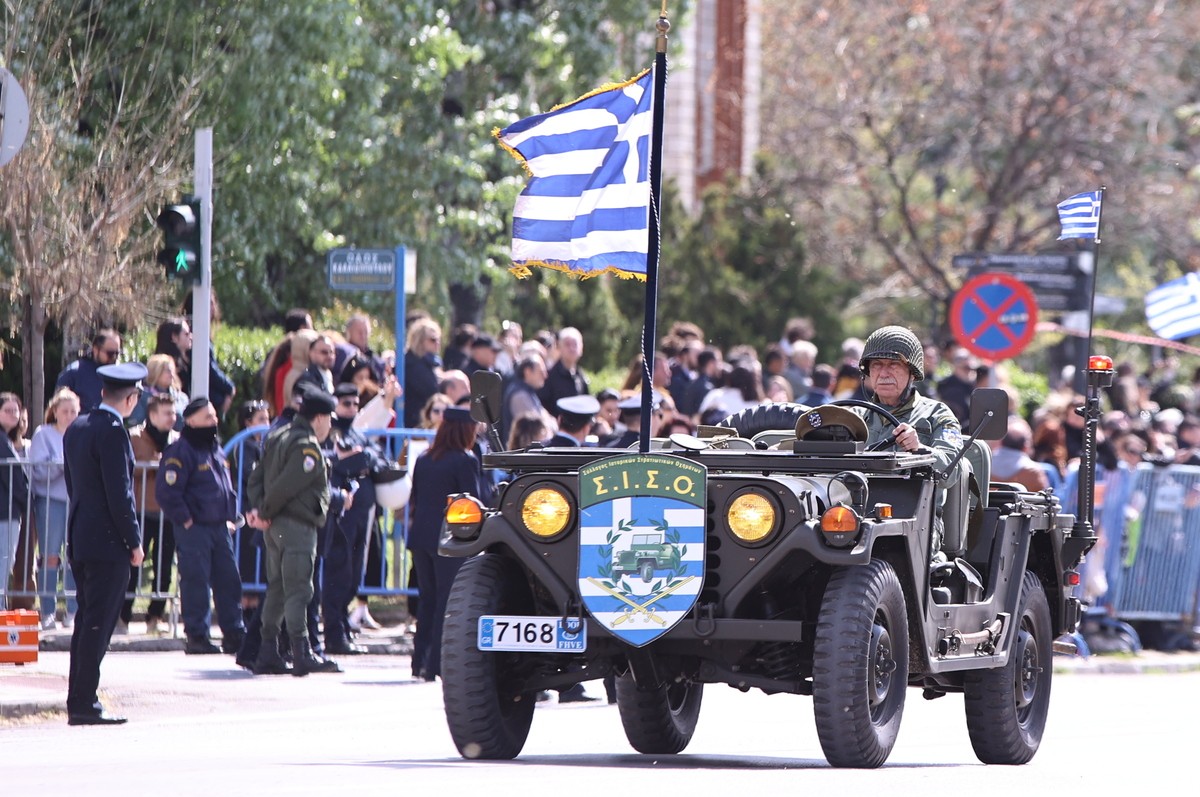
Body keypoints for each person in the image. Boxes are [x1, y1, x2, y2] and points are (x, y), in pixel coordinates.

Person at [62, 362, 147, 725]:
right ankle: (84, 700)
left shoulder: (78, 427)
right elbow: (120, 495)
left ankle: (79, 696)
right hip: (108, 542)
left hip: (82, 535)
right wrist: (134, 540)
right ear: (131, 399)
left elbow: (74, 485)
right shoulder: (113, 432)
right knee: (97, 623)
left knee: (86, 621)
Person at [245, 386, 342, 676]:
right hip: (295, 526)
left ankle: (267, 651)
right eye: (329, 419)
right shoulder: (306, 446)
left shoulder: (277, 435)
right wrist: (264, 511)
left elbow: (255, 479)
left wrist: (260, 510)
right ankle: (302, 652)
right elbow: (286, 486)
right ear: (320, 418)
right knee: (300, 588)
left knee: (277, 587)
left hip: (274, 526)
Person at [852, 326, 964, 555]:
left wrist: (920, 449)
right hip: (853, 515)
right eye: (876, 366)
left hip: (916, 519)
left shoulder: (937, 415)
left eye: (892, 365)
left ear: (912, 372)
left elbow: (950, 471)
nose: (883, 373)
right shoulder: (854, 416)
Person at [156, 398, 246, 655]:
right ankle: (197, 636)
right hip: (194, 529)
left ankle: (233, 633)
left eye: (215, 416)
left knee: (229, 581)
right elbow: (168, 492)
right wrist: (186, 519)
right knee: (195, 582)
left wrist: (229, 518)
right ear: (192, 421)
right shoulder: (180, 451)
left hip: (219, 528)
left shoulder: (214, 449)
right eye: (208, 417)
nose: (214, 421)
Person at [407, 407, 484, 681]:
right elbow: (474, 502)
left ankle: (419, 661)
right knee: (446, 600)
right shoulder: (465, 460)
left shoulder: (425, 458)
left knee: (428, 599)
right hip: (448, 537)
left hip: (420, 536)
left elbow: (416, 496)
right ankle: (435, 664)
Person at [322, 384, 390, 654]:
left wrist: (361, 458)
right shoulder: (331, 432)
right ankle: (334, 633)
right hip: (343, 511)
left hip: (364, 510)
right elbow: (336, 462)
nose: (351, 409)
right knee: (340, 571)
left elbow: (377, 458)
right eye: (345, 403)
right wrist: (357, 459)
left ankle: (342, 626)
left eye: (354, 404)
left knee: (354, 574)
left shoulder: (357, 431)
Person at [123, 393, 180, 635]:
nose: (172, 418)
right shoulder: (135, 437)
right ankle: (123, 615)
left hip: (168, 513)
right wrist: (153, 462)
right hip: (141, 510)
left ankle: (155, 615)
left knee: (164, 567)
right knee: (133, 567)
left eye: (173, 413)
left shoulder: (177, 439)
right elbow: (128, 467)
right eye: (167, 413)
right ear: (153, 414)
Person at [29, 389, 80, 628]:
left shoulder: (81, 433)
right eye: (65, 411)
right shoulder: (44, 434)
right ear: (55, 411)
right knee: (50, 556)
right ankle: (47, 611)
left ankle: (73, 609)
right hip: (50, 500)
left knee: (74, 557)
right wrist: (59, 465)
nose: (69, 415)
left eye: (73, 411)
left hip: (76, 500)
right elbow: (39, 471)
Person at [0, 392, 29, 605]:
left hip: (8, 510)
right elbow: (14, 478)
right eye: (7, 410)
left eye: (15, 410)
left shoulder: (6, 439)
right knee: (2, 566)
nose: (13, 414)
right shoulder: (2, 441)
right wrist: (24, 501)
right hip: (5, 512)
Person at [55, 329, 122, 413]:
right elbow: (59, 408)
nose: (114, 358)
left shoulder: (119, 376)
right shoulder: (74, 373)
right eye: (110, 354)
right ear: (95, 350)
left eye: (117, 353)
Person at [129, 353, 189, 429]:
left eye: (172, 371)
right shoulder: (143, 397)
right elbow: (135, 423)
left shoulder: (182, 398)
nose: (171, 374)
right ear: (156, 372)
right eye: (168, 371)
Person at [403, 318, 442, 429]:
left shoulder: (430, 363)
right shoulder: (411, 364)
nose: (437, 343)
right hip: (414, 423)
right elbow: (432, 390)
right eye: (432, 340)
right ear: (419, 340)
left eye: (438, 339)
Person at [539, 327, 590, 410]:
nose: (572, 348)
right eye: (567, 344)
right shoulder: (549, 376)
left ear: (581, 347)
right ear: (559, 347)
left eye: (575, 344)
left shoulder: (581, 376)